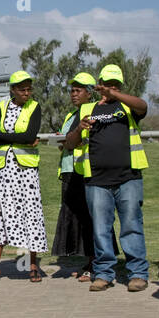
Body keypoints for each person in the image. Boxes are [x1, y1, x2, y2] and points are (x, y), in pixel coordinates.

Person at [0, 70, 47, 282]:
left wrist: (3, 136)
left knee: (31, 213)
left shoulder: (35, 106)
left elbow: (30, 135)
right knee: (1, 215)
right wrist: (13, 139)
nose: (27, 93)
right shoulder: (2, 105)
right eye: (22, 89)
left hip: (26, 170)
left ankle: (33, 265)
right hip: (3, 170)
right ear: (13, 90)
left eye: (29, 89)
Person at [82, 64, 150, 292]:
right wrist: (79, 128)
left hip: (128, 177)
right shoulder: (88, 108)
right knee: (101, 229)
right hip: (97, 180)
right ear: (99, 84)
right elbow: (71, 142)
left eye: (114, 85)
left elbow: (143, 106)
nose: (109, 89)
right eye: (106, 85)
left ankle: (138, 273)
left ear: (120, 86)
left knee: (131, 225)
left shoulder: (128, 106)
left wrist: (116, 95)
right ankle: (103, 273)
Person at [54, 72, 97, 279]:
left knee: (89, 219)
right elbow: (67, 141)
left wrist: (71, 140)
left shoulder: (92, 113)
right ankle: (84, 260)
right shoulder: (71, 116)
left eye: (78, 90)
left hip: (85, 171)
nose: (73, 94)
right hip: (69, 170)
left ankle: (94, 263)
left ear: (90, 93)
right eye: (72, 90)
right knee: (74, 218)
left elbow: (82, 141)